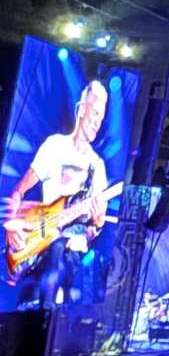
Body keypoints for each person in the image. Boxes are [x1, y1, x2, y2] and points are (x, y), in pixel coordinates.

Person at [4, 80, 113, 307]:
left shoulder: (97, 166)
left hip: (72, 255)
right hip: (41, 246)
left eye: (101, 117)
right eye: (94, 113)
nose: (96, 122)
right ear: (82, 109)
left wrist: (99, 222)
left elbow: (91, 232)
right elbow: (18, 193)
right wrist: (12, 225)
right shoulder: (55, 146)